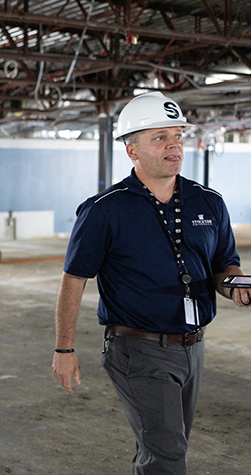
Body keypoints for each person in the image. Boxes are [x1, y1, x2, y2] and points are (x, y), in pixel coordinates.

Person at [52, 91, 251, 474]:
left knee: (163, 448)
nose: (174, 145)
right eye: (160, 137)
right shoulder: (104, 210)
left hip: (193, 345)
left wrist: (235, 287)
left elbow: (224, 265)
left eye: (178, 135)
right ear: (132, 151)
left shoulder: (208, 202)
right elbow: (74, 280)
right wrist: (64, 349)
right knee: (168, 455)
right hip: (138, 347)